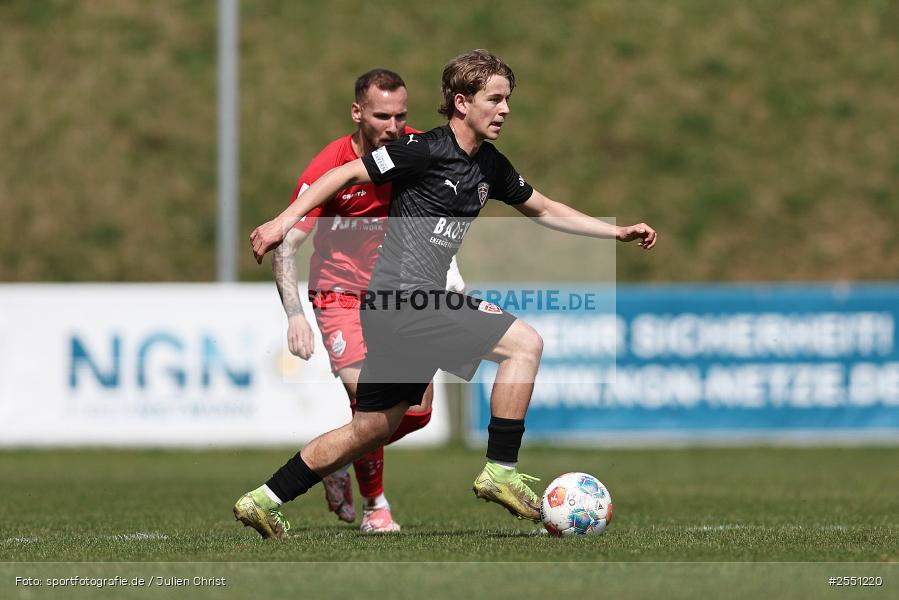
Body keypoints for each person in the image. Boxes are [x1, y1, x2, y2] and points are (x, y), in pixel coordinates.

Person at [241, 50, 657, 539]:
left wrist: (617, 232)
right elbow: (346, 174)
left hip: (392, 308)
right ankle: (500, 470)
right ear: (462, 102)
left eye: (507, 100)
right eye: (494, 100)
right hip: (406, 300)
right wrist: (282, 220)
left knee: (371, 429)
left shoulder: (490, 165)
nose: (504, 110)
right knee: (525, 344)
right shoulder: (424, 150)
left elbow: (543, 208)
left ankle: (263, 499)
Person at [239, 69, 463, 535]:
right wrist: (295, 315)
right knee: (370, 401)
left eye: (402, 115)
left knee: (418, 413)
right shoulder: (330, 167)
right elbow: (288, 244)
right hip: (340, 295)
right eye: (383, 116)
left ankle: (333, 458)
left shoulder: (420, 150)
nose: (394, 126)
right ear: (358, 112)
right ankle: (375, 507)